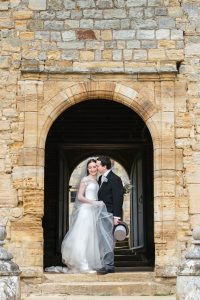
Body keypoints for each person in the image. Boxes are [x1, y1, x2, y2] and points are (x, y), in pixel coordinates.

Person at [61, 158, 113, 273]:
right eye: (90, 167)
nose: (93, 169)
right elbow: (79, 197)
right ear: (87, 169)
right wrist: (94, 202)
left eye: (95, 167)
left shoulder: (99, 180)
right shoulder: (85, 180)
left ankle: (90, 263)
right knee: (84, 237)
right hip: (86, 211)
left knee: (94, 238)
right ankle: (83, 264)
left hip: (96, 211)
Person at [96, 156, 124, 274]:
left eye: (98, 165)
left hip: (109, 213)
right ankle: (105, 263)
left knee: (108, 240)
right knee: (103, 240)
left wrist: (116, 216)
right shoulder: (100, 178)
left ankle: (109, 266)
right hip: (101, 213)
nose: (96, 168)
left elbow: (118, 198)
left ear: (104, 166)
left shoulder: (115, 179)